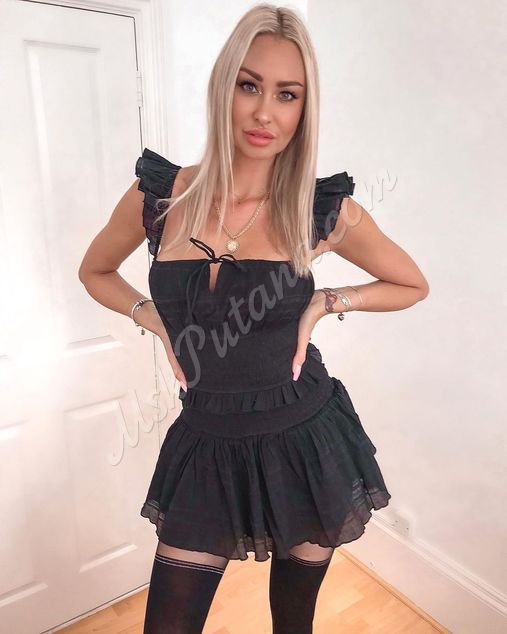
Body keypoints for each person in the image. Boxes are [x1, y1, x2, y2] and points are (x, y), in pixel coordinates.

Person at [78, 4, 429, 633]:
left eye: (287, 94)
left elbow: (410, 283)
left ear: (303, 109)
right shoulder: (159, 197)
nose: (266, 112)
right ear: (224, 88)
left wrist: (327, 302)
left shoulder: (320, 209)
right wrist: (154, 318)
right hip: (207, 441)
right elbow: (95, 271)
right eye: (250, 85)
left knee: (292, 624)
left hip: (306, 437)